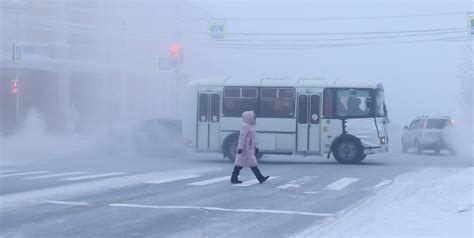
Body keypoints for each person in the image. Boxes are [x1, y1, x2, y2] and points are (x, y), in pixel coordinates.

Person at [230, 111, 269, 184]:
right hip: (245, 149)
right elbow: (242, 137)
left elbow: (251, 139)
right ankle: (260, 178)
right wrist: (240, 148)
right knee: (252, 164)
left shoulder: (250, 126)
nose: (255, 118)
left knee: (239, 164)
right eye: (253, 117)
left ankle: (234, 178)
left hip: (249, 148)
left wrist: (255, 147)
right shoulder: (245, 126)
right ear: (249, 117)